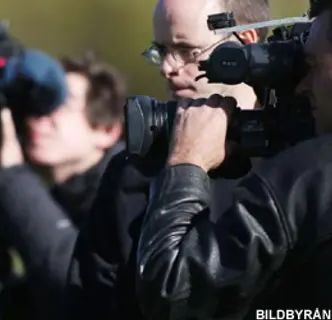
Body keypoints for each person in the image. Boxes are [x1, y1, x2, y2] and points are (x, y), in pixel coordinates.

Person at [64, 0, 270, 318]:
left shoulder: (296, 163)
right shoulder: (132, 171)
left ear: (247, 41)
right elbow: (89, 303)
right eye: (162, 50)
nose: (168, 68)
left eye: (188, 50)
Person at [135, 0, 332, 317]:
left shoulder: (307, 176)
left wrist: (186, 164)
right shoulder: (131, 174)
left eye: (313, 66)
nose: (303, 85)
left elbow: (174, 291)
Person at [0, 51, 126, 319]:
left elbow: (76, 281)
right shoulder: (61, 199)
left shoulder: (132, 193)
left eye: (63, 103)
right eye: (43, 100)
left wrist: (12, 175)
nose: (42, 115)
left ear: (107, 131)